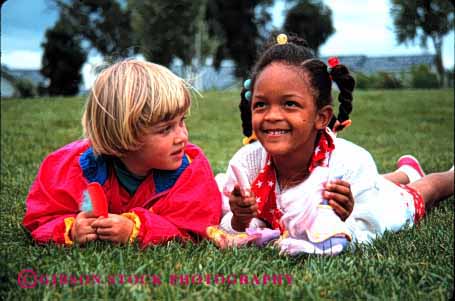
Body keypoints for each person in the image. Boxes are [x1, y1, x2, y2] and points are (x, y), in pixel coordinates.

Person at [217, 34, 454, 255]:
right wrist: (239, 217)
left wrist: (345, 218)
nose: (271, 116)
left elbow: (364, 231)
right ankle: (406, 172)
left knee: (424, 192)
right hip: (364, 185)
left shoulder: (348, 163)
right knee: (379, 183)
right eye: (261, 105)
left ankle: (443, 176)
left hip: (374, 202)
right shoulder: (246, 162)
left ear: (321, 117)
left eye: (289, 104)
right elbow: (227, 226)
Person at [22, 60, 221, 247]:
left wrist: (136, 229)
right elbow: (40, 220)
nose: (183, 136)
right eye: (165, 129)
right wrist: (71, 230)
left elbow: (197, 229)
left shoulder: (191, 169)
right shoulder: (72, 167)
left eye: (182, 121)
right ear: (126, 133)